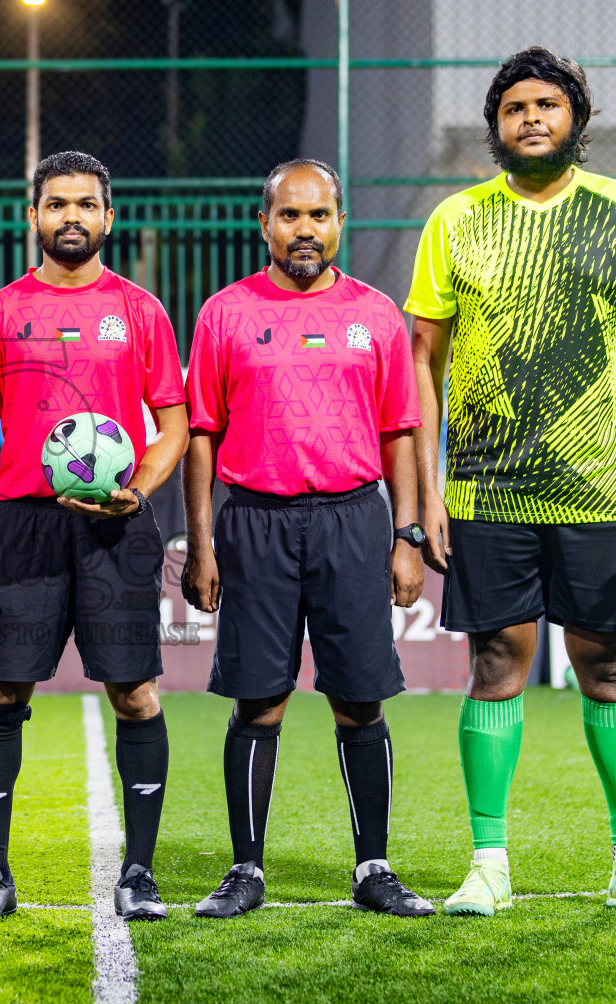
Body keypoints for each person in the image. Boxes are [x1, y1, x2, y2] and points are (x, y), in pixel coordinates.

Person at [406, 48, 616, 916]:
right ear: (496, 128)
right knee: (497, 660)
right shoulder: (455, 221)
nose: (531, 118)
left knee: (606, 662)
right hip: (489, 488)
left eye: (547, 105)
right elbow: (424, 358)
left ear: (575, 118)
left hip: (600, 487)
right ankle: (489, 864)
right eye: (513, 108)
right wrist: (429, 491)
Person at [181, 159, 433, 919]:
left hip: (353, 521)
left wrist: (408, 535)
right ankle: (246, 870)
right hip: (253, 521)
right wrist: (201, 544)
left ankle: (374, 868)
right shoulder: (224, 313)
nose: (304, 230)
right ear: (264, 225)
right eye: (289, 216)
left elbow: (401, 431)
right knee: (259, 701)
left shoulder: (376, 315)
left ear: (340, 223)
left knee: (360, 699)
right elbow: (201, 436)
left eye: (319, 215)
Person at [0, 150, 189, 923]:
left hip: (115, 527)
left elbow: (176, 424)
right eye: (57, 205)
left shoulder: (140, 310)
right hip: (22, 524)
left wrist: (137, 491)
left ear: (108, 217)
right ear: (34, 217)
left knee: (136, 691)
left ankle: (140, 872)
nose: (72, 217)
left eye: (86, 204)